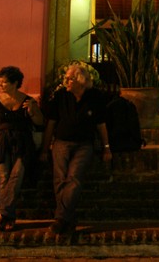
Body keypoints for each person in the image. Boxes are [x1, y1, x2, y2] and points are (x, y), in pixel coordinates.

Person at [40, 62, 111, 235]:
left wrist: (106, 147)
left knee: (74, 178)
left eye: (69, 78)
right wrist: (44, 148)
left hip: (84, 144)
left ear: (80, 80)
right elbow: (51, 123)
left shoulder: (94, 97)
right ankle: (67, 220)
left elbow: (101, 124)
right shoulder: (61, 96)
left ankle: (60, 218)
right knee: (60, 179)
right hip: (61, 142)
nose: (66, 81)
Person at [0, 65, 44, 232]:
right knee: (3, 177)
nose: (0, 85)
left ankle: (2, 213)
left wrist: (32, 111)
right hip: (2, 143)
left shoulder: (27, 101)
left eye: (4, 82)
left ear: (15, 82)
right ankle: (9, 215)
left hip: (23, 143)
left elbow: (40, 122)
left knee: (16, 177)